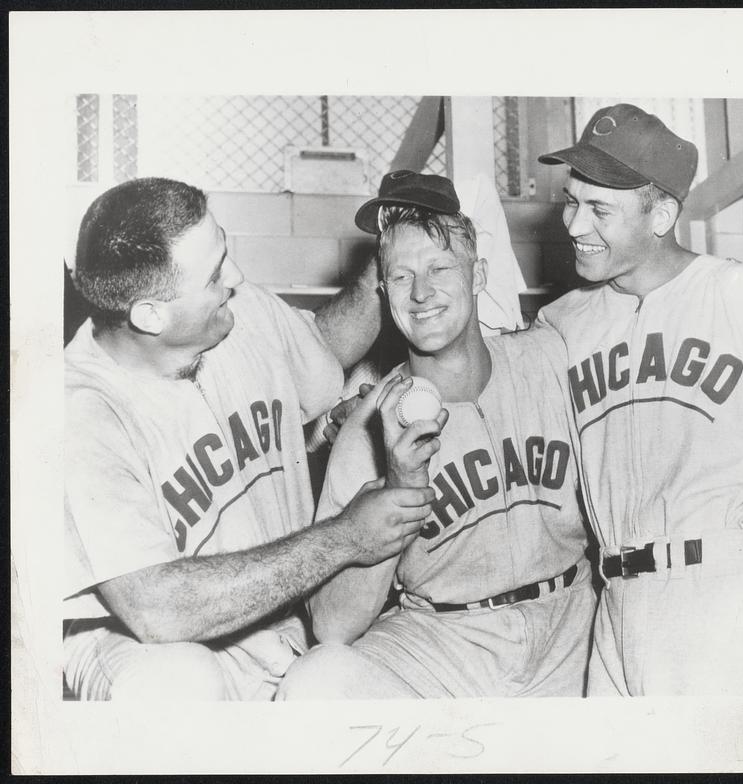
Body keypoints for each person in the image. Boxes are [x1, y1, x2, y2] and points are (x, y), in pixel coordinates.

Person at [63, 177, 435, 701]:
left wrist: (389, 252)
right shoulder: (81, 413)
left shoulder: (238, 315)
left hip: (278, 633)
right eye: (215, 275)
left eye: (225, 253)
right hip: (144, 646)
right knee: (175, 684)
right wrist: (346, 536)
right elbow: (155, 609)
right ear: (150, 314)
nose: (235, 276)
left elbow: (321, 348)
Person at [278, 172, 595, 699]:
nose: (421, 293)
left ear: (478, 275)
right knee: (318, 684)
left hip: (568, 628)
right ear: (383, 292)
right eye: (401, 277)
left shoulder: (550, 359)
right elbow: (333, 625)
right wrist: (395, 494)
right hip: (443, 644)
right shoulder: (372, 425)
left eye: (439, 268)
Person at [535, 103, 743, 696]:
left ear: (662, 214)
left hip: (727, 594)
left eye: (600, 209)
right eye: (572, 201)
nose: (574, 225)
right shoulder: (562, 323)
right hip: (615, 606)